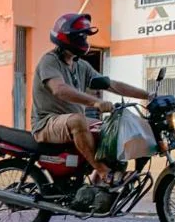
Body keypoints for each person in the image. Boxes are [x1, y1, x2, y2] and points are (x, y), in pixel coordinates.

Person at [32, 13, 151, 184]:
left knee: (112, 131)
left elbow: (111, 84)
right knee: (78, 121)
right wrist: (95, 102)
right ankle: (103, 172)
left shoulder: (81, 65)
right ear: (68, 38)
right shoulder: (49, 61)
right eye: (82, 36)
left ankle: (98, 189)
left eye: (86, 36)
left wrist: (147, 95)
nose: (85, 40)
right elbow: (59, 90)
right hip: (46, 123)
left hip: (66, 122)